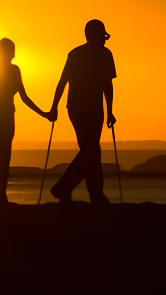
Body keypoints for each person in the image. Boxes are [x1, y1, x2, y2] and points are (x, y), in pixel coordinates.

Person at [0, 38, 50, 205]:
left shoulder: (9, 69)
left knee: (2, 157)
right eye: (12, 50)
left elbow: (21, 97)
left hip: (4, 116)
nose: (14, 53)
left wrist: (43, 113)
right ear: (6, 52)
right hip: (0, 117)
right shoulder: (3, 69)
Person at [46, 19, 116, 204]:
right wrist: (54, 107)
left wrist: (110, 111)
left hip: (95, 109)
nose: (103, 39)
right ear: (91, 36)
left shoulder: (105, 54)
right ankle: (74, 191)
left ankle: (86, 194)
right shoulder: (76, 55)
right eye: (100, 35)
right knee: (91, 150)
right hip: (77, 108)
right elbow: (63, 82)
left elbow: (107, 85)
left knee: (92, 151)